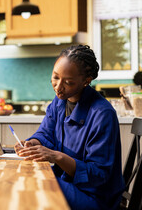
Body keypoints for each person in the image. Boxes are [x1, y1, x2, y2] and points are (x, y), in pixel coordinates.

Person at [14, 45, 125, 210]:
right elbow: (46, 134)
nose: (59, 87)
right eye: (55, 77)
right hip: (69, 184)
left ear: (86, 81)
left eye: (68, 82)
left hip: (95, 197)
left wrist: (56, 156)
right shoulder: (59, 101)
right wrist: (34, 143)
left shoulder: (102, 114)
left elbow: (99, 175)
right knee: (24, 179)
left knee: (32, 184)